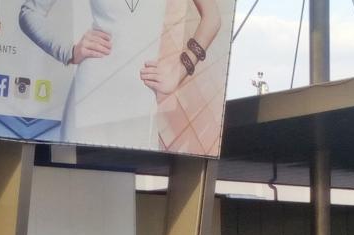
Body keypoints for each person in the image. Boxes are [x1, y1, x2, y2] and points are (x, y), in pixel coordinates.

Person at [19, 0, 220, 148]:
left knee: (123, 201)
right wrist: (68, 50)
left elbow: (213, 18)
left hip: (139, 107)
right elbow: (30, 12)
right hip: (89, 103)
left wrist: (180, 69)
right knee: (68, 194)